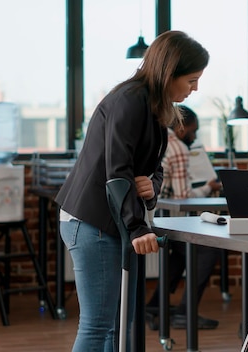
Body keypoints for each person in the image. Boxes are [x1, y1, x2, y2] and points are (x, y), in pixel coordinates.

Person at [55, 30, 209, 351]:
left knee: (118, 326)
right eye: (192, 79)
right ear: (170, 72)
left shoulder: (154, 106)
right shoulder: (130, 100)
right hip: (92, 221)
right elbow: (117, 171)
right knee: (100, 327)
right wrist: (138, 226)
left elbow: (154, 169)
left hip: (110, 220)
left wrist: (150, 186)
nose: (196, 88)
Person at [146, 105, 221, 330]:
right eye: (193, 130)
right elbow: (183, 198)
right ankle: (185, 313)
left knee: (181, 252)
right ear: (180, 128)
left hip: (153, 215)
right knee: (209, 248)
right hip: (167, 218)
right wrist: (208, 188)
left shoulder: (156, 139)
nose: (194, 136)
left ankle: (154, 307)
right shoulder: (176, 146)